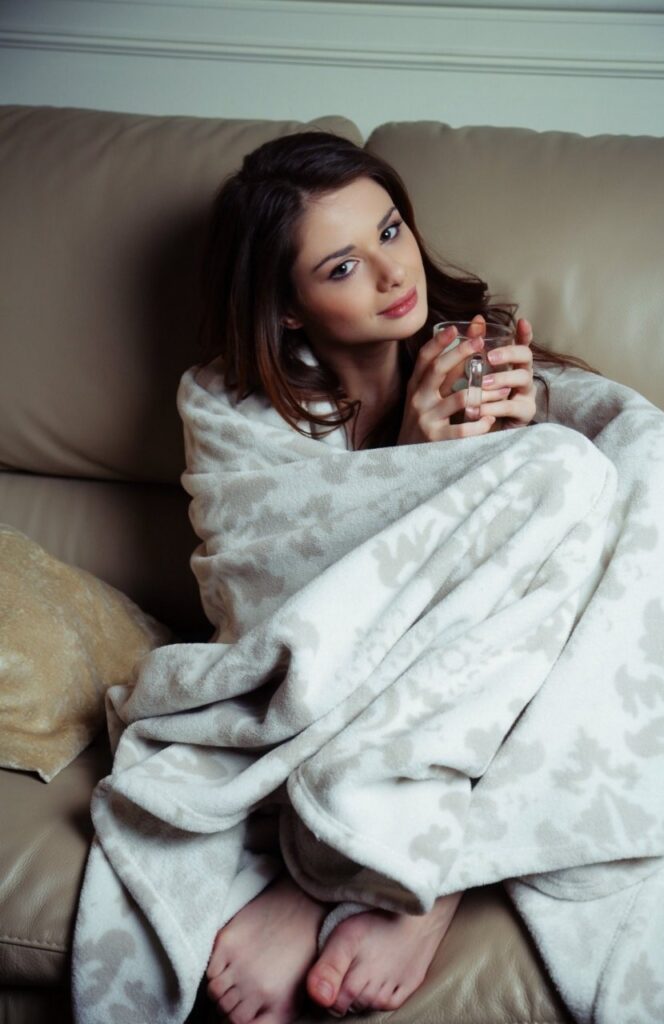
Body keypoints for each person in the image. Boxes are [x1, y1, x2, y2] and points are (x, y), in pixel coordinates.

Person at [192, 131, 578, 1024]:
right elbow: (270, 608)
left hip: (496, 670)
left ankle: (429, 882)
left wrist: (515, 443)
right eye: (341, 267)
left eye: (392, 230)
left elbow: (554, 570)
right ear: (288, 308)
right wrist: (415, 467)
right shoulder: (229, 411)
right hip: (333, 678)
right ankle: (362, 861)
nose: (392, 272)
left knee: (574, 475)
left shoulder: (475, 354)